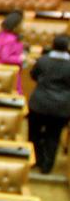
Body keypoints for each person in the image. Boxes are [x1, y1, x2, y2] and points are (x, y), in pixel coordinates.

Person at [28, 34, 70, 174]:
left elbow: (33, 75)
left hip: (39, 103)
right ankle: (47, 166)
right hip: (61, 107)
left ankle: (36, 160)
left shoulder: (43, 60)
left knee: (34, 133)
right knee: (53, 136)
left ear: (52, 45)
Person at [0, 10, 26, 94]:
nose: (23, 27)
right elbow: (5, 57)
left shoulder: (3, 34)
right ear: (16, 26)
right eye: (21, 24)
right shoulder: (10, 39)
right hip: (6, 70)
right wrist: (20, 58)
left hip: (3, 68)